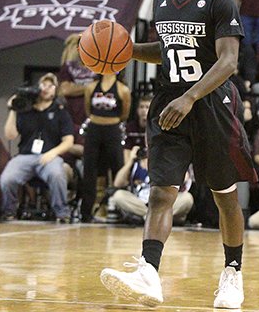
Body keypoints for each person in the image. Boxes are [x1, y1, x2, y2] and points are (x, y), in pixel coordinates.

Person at [99, 0, 257, 309]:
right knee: (160, 192)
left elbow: (229, 61)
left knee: (224, 197)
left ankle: (232, 274)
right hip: (171, 101)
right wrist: (128, 49)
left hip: (211, 104)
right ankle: (149, 274)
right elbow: (169, 48)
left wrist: (190, 97)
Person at [0, 73, 74, 222]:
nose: (46, 88)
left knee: (57, 175)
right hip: (25, 156)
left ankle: (62, 213)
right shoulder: (26, 110)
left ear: (55, 90)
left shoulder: (60, 111)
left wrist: (53, 153)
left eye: (50, 85)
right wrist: (13, 109)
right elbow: (10, 135)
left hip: (49, 156)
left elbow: (68, 141)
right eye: (43, 85)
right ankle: (9, 211)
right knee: (7, 178)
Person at [80, 73, 131, 222]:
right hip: (94, 129)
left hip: (113, 129)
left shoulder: (123, 89)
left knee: (118, 168)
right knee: (89, 170)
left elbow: (125, 114)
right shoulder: (90, 87)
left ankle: (121, 211)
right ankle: (86, 213)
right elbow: (88, 110)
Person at [110, 145, 194, 224]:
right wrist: (130, 161)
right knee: (119, 195)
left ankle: (149, 218)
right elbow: (117, 183)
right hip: (141, 204)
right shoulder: (136, 165)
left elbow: (185, 178)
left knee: (187, 198)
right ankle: (154, 218)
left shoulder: (166, 163)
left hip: (163, 203)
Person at [123, 95, 151, 161]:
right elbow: (127, 149)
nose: (144, 110)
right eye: (141, 107)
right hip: (132, 158)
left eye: (147, 107)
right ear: (137, 110)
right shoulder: (130, 128)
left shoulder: (155, 128)